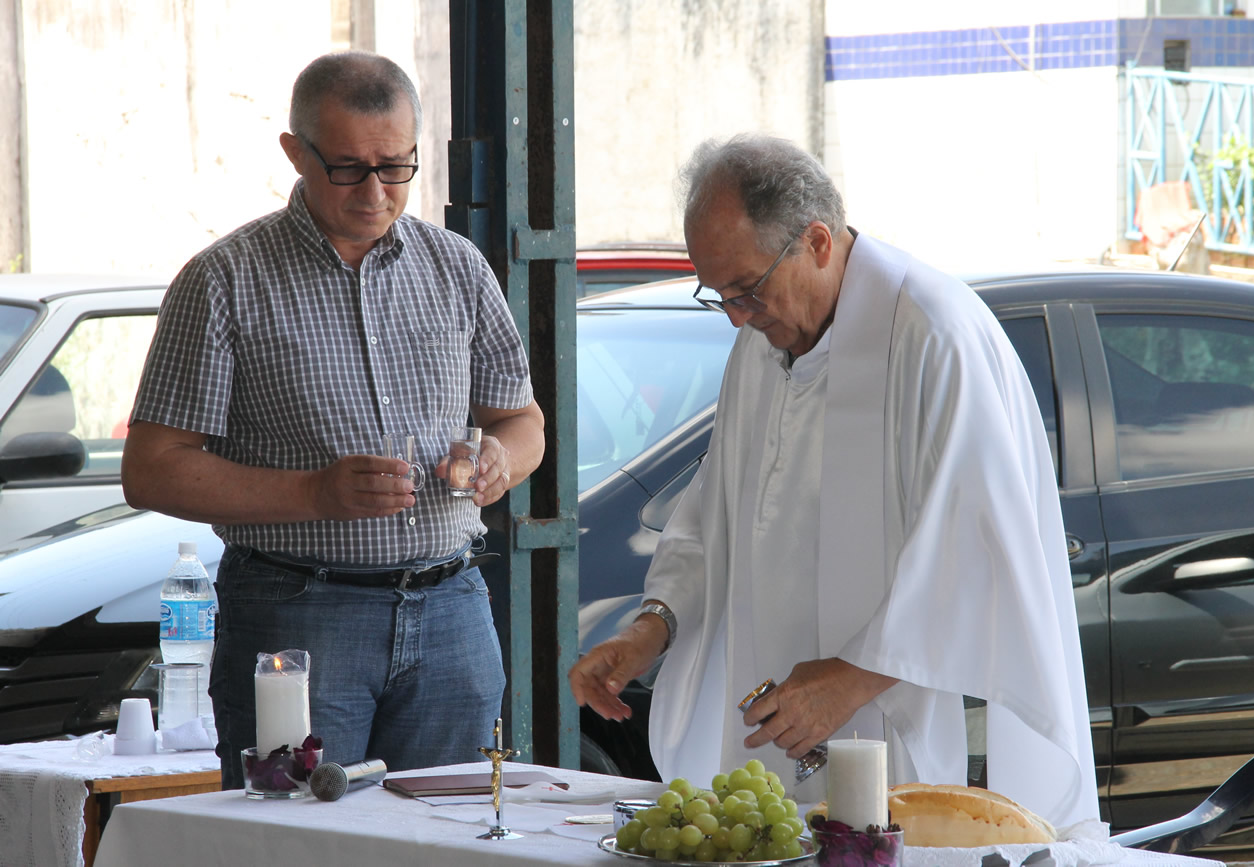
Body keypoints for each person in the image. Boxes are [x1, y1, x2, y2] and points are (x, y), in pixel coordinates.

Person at [568, 134, 1098, 828]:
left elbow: (976, 549)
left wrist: (849, 679)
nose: (737, 316)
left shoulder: (933, 335)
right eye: (719, 295)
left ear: (817, 242)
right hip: (761, 735)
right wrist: (652, 627)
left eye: (748, 289)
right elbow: (714, 515)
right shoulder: (762, 343)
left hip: (880, 733)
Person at [122, 51, 545, 788]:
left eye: (397, 166)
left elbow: (523, 421)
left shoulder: (458, 267)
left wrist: (501, 460)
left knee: (448, 830)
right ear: (296, 152)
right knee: (297, 832)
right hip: (299, 611)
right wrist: (314, 492)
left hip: (451, 607)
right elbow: (152, 470)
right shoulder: (224, 280)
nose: (376, 192)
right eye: (348, 168)